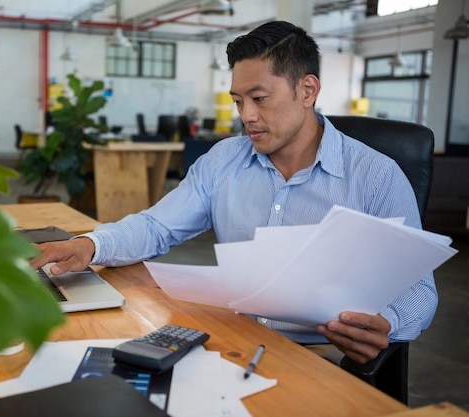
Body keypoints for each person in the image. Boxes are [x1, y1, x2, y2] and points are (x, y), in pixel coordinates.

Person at [32, 21, 437, 365]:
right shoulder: (224, 160)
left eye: (259, 99)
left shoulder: (376, 176)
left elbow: (418, 288)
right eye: (239, 101)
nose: (247, 116)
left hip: (322, 355)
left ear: (307, 90)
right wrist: (92, 244)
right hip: (232, 341)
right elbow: (157, 226)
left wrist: (388, 322)